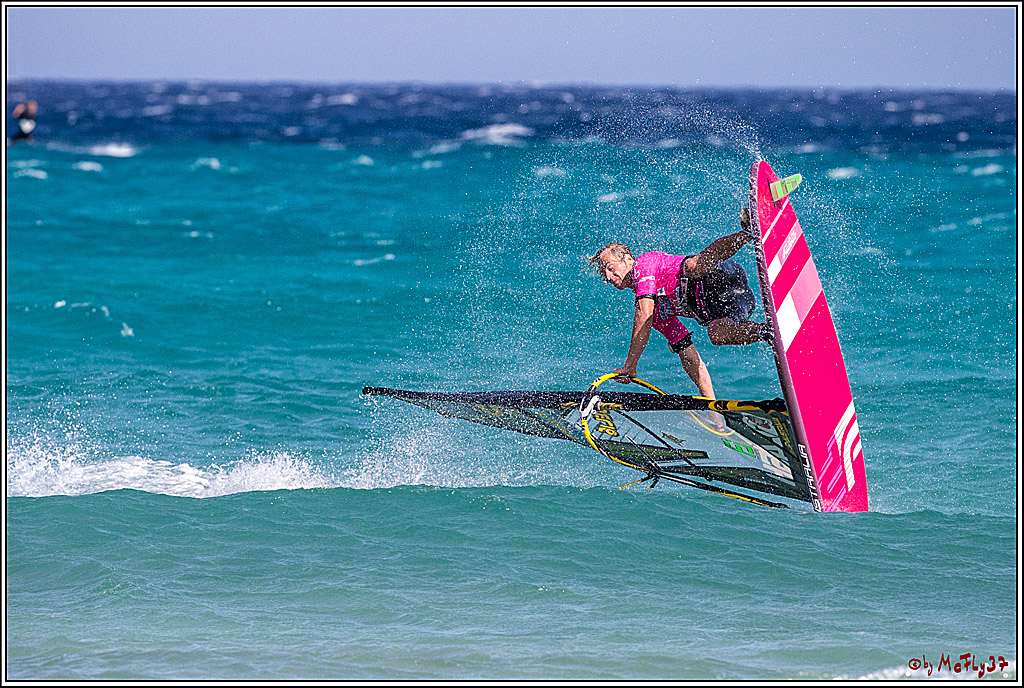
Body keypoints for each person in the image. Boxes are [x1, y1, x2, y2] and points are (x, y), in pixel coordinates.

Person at [587, 208, 770, 399]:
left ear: (627, 259)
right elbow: (689, 355)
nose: (607, 277)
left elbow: (643, 313)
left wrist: (631, 364)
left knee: (691, 267)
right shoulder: (656, 314)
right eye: (603, 273)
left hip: (721, 276)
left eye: (610, 268)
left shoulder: (644, 265)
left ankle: (749, 233)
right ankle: (767, 333)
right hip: (735, 302)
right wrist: (713, 408)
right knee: (716, 334)